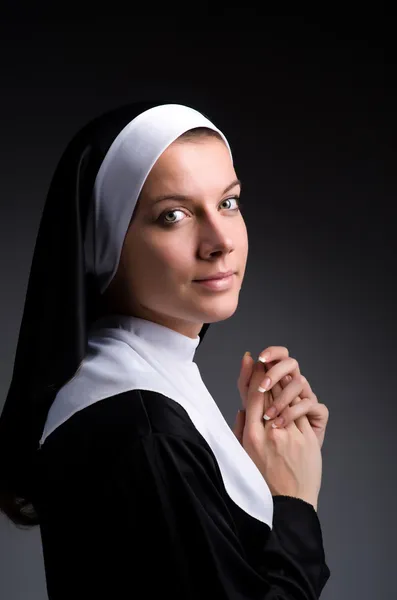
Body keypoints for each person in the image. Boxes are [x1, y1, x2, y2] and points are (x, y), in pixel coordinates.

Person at [0, 101, 331, 599]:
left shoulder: (122, 381)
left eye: (229, 202)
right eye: (173, 215)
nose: (220, 240)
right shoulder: (147, 431)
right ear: (106, 243)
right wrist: (293, 499)